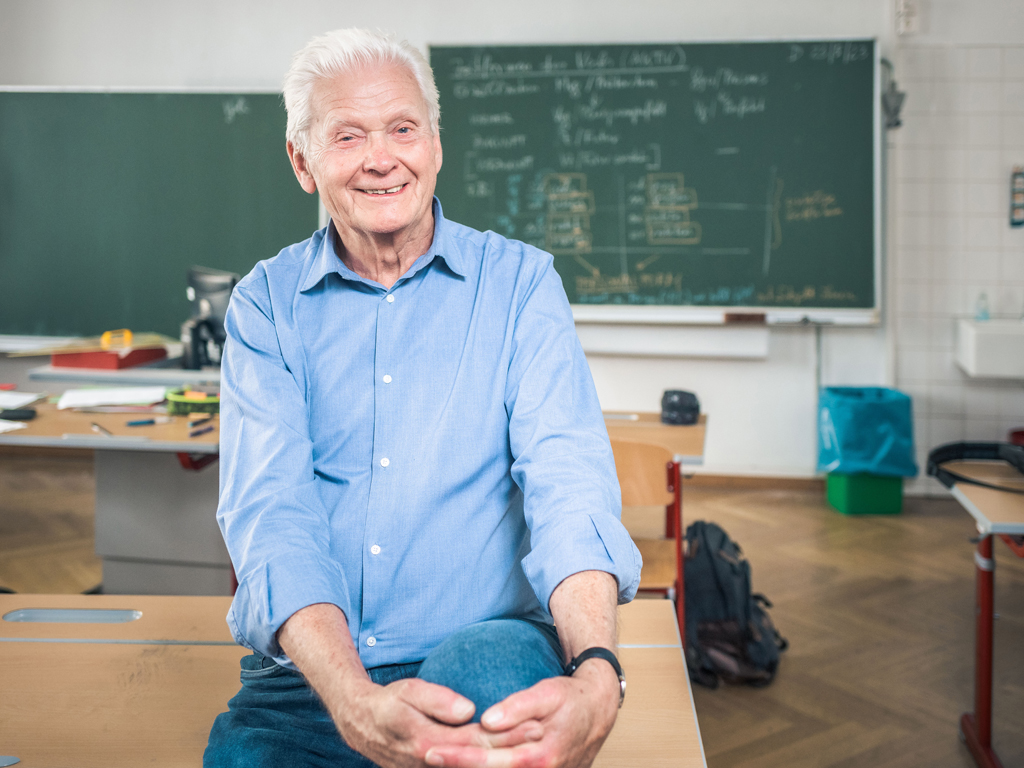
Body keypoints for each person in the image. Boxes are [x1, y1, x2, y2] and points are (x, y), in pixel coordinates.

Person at [206, 27, 641, 768]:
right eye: (348, 136)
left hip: (482, 653)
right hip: (314, 679)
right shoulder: (265, 306)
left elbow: (571, 488)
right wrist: (352, 700)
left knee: (491, 684)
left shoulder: (520, 286)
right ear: (302, 161)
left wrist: (600, 671)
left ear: (435, 145)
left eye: (402, 128)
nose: (382, 158)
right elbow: (273, 518)